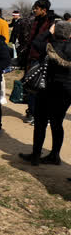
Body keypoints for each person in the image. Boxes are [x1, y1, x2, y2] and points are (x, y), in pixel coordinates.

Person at [19, 21, 71, 165]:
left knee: (41, 123)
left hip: (46, 89)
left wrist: (49, 31)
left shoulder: (49, 47)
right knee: (57, 124)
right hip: (66, 92)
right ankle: (55, 155)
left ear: (55, 32)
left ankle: (36, 155)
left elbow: (36, 42)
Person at [24, 0, 53, 124]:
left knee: (42, 88)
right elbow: (31, 39)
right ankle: (31, 112)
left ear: (44, 10)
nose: (34, 10)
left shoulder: (52, 22)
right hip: (32, 57)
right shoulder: (36, 20)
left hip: (45, 59)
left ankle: (41, 116)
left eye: (36, 8)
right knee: (31, 86)